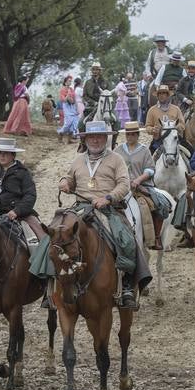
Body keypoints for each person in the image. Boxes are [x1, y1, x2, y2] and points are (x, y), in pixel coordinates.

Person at [58, 121, 151, 308]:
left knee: (126, 240)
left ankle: (126, 286)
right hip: (81, 208)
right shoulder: (78, 160)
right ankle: (49, 282)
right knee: (55, 234)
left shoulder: (116, 159)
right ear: (85, 139)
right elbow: (70, 177)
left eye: (99, 136)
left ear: (106, 138)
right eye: (91, 137)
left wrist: (108, 197)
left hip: (108, 209)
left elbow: (124, 184)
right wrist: (65, 182)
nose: (95, 140)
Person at [117, 121, 170, 250]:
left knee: (160, 204)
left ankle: (156, 237)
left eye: (133, 134)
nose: (130, 137)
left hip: (141, 186)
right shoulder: (117, 150)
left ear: (137, 135)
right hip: (121, 186)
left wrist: (138, 180)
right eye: (128, 134)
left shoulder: (144, 150)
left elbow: (150, 169)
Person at [0, 137, 37, 222]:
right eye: (0, 153)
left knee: (37, 231)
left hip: (16, 215)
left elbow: (30, 195)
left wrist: (17, 211)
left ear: (13, 155)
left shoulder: (23, 173)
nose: (2, 156)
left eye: (6, 153)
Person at [57, 75, 79, 142]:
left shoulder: (72, 89)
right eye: (69, 81)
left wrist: (77, 108)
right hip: (66, 106)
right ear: (65, 82)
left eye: (70, 81)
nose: (70, 82)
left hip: (72, 106)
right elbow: (63, 100)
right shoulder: (62, 90)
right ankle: (61, 132)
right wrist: (68, 94)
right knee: (68, 122)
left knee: (74, 122)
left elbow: (75, 99)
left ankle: (70, 139)